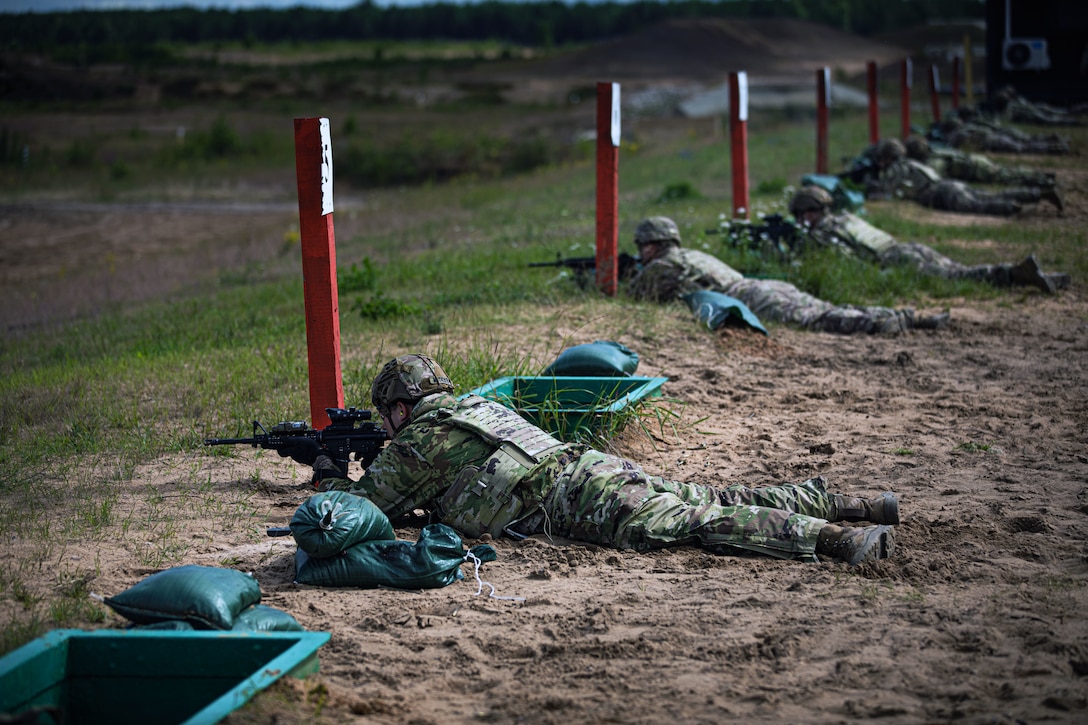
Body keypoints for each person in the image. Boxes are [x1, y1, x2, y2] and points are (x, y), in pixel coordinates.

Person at [276, 354, 899, 566]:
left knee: (693, 524)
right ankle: (850, 501)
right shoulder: (472, 409)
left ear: (399, 409)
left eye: (387, 417)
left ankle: (837, 540)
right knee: (714, 495)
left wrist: (329, 469)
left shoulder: (418, 443)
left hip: (576, 498)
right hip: (591, 467)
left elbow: (354, 510)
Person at [626, 216, 948, 335]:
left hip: (750, 298)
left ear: (652, 245)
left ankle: (881, 325)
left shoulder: (661, 266)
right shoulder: (691, 255)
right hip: (763, 285)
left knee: (817, 320)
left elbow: (634, 296)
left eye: (643, 246)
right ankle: (909, 317)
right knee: (823, 307)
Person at [789, 186, 1069, 295]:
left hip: (895, 259)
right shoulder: (845, 217)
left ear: (808, 211)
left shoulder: (824, 233)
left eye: (802, 215)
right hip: (905, 247)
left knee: (960, 276)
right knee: (959, 270)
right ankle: (1038, 276)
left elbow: (847, 260)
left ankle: (1019, 274)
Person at [865, 138, 1063, 216]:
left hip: (939, 193)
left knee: (978, 206)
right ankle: (1038, 193)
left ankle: (1014, 208)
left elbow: (886, 191)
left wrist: (869, 185)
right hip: (949, 184)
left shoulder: (897, 168)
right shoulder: (914, 163)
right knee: (990, 195)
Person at [902, 135, 1057, 189]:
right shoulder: (936, 152)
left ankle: (1041, 180)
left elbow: (936, 178)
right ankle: (1040, 176)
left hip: (977, 168)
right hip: (976, 161)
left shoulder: (933, 163)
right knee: (1008, 172)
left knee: (1007, 177)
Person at [928, 115, 1071, 155]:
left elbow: (948, 147)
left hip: (992, 141)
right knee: (1025, 143)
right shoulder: (963, 130)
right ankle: (1054, 144)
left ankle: (1056, 147)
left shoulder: (955, 136)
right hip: (994, 137)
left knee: (1023, 148)